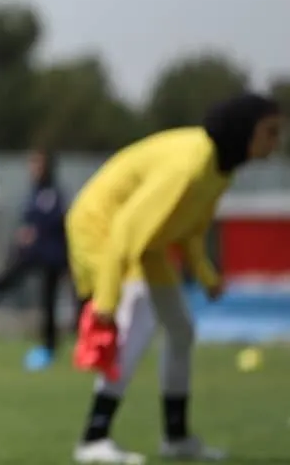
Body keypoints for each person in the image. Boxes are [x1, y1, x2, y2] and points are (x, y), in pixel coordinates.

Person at [67, 93, 282, 464]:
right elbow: (125, 228)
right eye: (270, 132)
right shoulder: (189, 166)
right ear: (244, 130)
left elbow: (189, 230)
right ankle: (93, 438)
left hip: (146, 243)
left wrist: (206, 275)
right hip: (102, 227)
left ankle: (176, 437)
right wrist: (107, 299)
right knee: (137, 322)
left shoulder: (219, 170)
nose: (276, 142)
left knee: (181, 329)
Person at [0, 148, 71, 370]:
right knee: (16, 270)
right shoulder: (34, 193)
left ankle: (50, 346)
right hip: (34, 253)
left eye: (37, 164)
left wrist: (36, 232)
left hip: (51, 255)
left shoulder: (52, 194)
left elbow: (54, 221)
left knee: (48, 302)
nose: (33, 169)